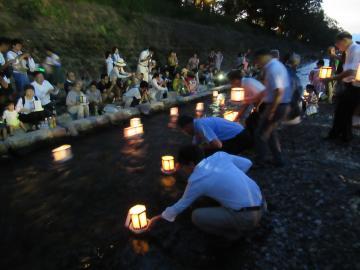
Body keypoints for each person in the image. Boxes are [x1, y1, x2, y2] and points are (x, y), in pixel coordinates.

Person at [148, 145, 265, 242]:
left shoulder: (197, 180)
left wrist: (158, 218)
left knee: (196, 216)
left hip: (247, 217)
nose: (183, 170)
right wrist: (229, 179)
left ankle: (233, 234)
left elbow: (180, 205)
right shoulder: (220, 156)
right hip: (262, 202)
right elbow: (247, 163)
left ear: (191, 164)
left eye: (183, 167)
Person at [253, 48, 293, 167]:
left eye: (257, 60)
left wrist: (272, 111)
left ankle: (260, 161)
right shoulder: (275, 65)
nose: (257, 63)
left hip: (278, 105)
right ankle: (278, 159)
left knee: (260, 134)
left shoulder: (273, 69)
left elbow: (279, 91)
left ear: (262, 57)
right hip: (282, 104)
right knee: (271, 133)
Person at [324, 32, 360, 143]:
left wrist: (333, 78)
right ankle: (343, 136)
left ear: (345, 40)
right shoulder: (349, 50)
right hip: (350, 85)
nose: (337, 46)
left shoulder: (356, 50)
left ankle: (338, 135)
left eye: (338, 43)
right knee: (344, 111)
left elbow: (352, 71)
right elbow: (347, 64)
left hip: (356, 86)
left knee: (343, 110)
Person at [177, 115, 253, 156]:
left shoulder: (200, 125)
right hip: (241, 133)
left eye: (184, 131)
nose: (185, 133)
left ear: (187, 126)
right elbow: (195, 143)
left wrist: (201, 147)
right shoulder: (197, 123)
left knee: (208, 154)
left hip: (241, 138)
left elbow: (218, 145)